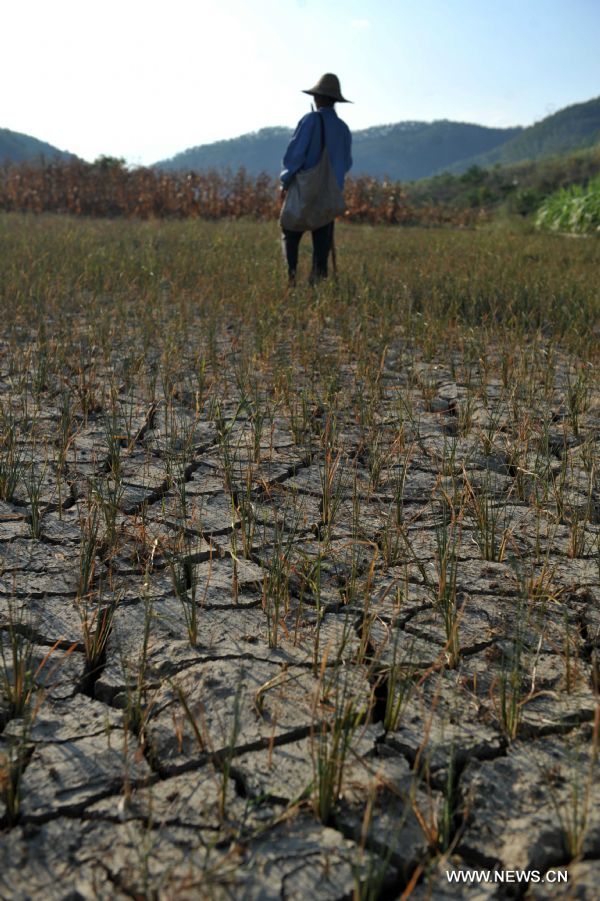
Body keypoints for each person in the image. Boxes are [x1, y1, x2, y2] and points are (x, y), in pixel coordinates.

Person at [280, 73, 352, 286]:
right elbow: (346, 163)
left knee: (290, 231)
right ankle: (317, 283)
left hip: (305, 188)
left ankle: (291, 279)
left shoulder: (310, 120)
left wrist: (285, 181)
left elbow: (295, 155)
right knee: (322, 237)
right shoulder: (343, 129)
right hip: (330, 192)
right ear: (335, 100)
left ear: (317, 98)